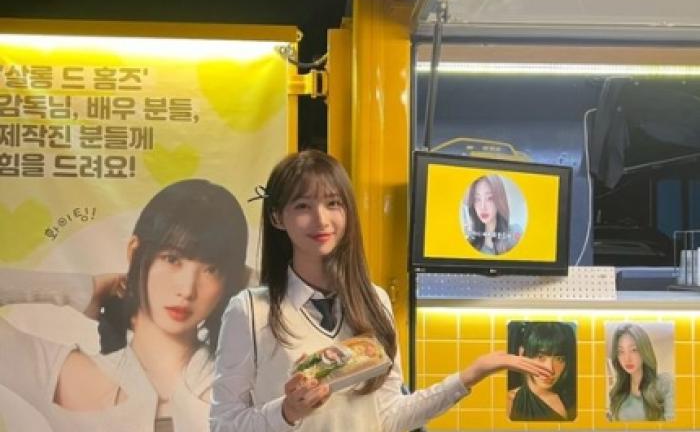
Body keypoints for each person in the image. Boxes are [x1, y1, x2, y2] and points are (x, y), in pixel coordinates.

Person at [210, 150, 554, 432]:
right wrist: (287, 412)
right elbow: (223, 424)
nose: (322, 219)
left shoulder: (374, 301)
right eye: (302, 206)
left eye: (333, 203)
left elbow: (389, 417)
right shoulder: (250, 311)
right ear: (277, 218)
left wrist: (470, 376)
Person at [0, 179, 247, 432]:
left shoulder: (244, 386)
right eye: (172, 259)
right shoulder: (70, 375)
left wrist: (240, 280)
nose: (187, 290)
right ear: (134, 251)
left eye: (211, 269)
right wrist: (82, 289)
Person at [507, 322, 577, 421]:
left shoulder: (574, 396)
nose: (550, 369)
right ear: (522, 354)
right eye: (540, 357)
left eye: (559, 359)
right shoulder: (509, 405)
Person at [607, 324, 674, 421]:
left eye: (634, 350)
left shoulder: (665, 383)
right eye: (621, 351)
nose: (627, 359)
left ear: (644, 350)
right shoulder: (617, 393)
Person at [462, 174, 521, 255]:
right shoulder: (471, 243)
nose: (483, 207)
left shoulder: (515, 232)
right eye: (477, 199)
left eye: (490, 198)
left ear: (499, 200)